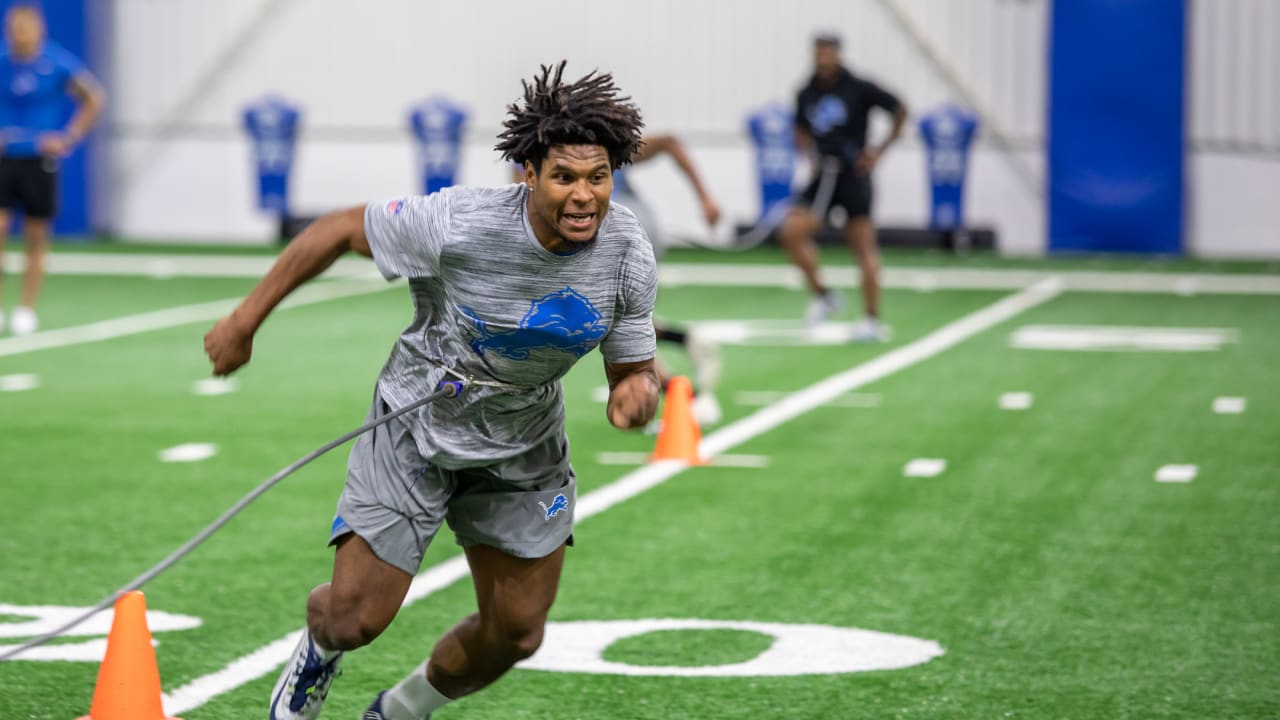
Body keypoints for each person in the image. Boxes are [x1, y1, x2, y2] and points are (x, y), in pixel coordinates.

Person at [204, 61, 658, 720]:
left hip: (523, 444)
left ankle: (399, 711)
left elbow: (632, 374)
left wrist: (636, 397)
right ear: (526, 174)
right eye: (564, 177)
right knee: (354, 618)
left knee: (517, 633)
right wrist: (246, 321)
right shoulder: (458, 222)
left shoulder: (627, 253)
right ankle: (317, 648)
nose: (584, 196)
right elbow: (336, 229)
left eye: (598, 178)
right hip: (417, 425)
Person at [515, 134, 724, 423]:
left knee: (598, 320)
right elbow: (669, 143)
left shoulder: (539, 156)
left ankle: (683, 391)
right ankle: (682, 351)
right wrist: (705, 198)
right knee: (616, 319)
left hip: (607, 234)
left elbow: (525, 203)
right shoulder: (601, 143)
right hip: (639, 227)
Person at [780, 31, 907, 341]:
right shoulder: (806, 90)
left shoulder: (858, 87)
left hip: (852, 174)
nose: (823, 57)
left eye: (828, 52)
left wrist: (878, 150)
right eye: (819, 52)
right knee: (791, 231)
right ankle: (823, 295)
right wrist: (808, 149)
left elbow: (899, 109)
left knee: (862, 244)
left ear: (837, 54)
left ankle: (872, 317)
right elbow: (800, 127)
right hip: (823, 175)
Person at [0, 2, 105, 336]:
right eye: (14, 28)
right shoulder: (2, 61)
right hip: (5, 158)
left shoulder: (56, 63)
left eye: (25, 28)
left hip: (38, 160)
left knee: (35, 236)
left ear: (39, 29)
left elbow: (94, 98)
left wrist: (69, 136)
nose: (19, 35)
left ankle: (26, 309)